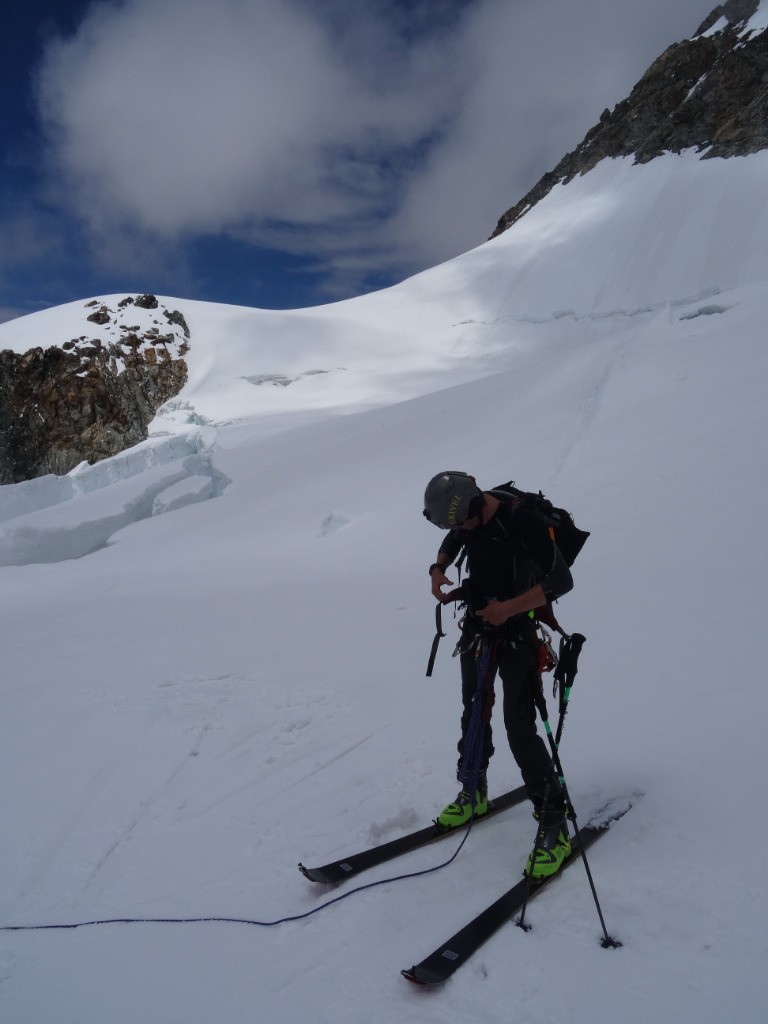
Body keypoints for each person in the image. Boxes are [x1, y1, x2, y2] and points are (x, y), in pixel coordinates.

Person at [423, 470, 574, 879]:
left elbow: (562, 579)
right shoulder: (467, 516)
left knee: (518, 727)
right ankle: (474, 790)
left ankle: (553, 824)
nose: (459, 530)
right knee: (473, 710)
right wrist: (438, 568)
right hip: (478, 628)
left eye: (463, 521)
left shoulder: (521, 519)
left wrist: (508, 609)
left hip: (518, 633)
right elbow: (454, 538)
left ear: (475, 506)